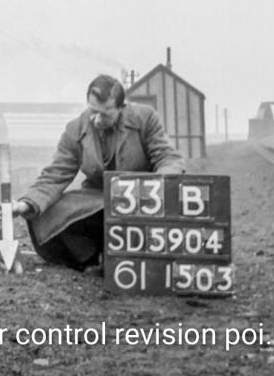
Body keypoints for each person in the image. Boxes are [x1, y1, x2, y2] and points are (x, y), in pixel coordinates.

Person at [11, 74, 185, 270]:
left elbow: (167, 158)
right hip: (97, 203)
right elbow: (55, 175)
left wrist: (157, 188)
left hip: (141, 201)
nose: (97, 119)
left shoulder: (145, 118)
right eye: (93, 111)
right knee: (48, 210)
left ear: (121, 107)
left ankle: (133, 255)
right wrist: (24, 205)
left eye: (106, 114)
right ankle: (91, 259)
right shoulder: (75, 130)